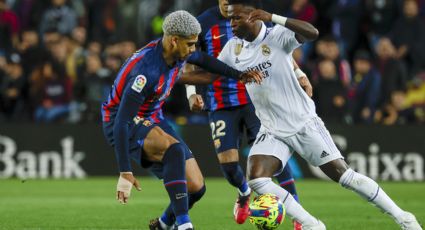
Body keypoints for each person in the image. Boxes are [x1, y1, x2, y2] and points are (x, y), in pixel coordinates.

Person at [217, 0, 422, 229]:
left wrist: (273, 17)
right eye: (230, 18)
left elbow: (312, 32)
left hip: (303, 123)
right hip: (272, 128)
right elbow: (210, 70)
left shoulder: (277, 36)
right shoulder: (233, 48)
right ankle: (311, 224)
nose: (231, 23)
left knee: (345, 177)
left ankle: (404, 218)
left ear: (253, 16)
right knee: (257, 178)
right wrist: (190, 87)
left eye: (236, 18)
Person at [101, 10, 262, 230]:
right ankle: (185, 225)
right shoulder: (145, 71)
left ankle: (163, 225)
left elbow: (205, 60)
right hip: (122, 121)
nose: (193, 49)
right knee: (174, 151)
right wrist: (125, 172)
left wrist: (239, 75)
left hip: (152, 116)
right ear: (174, 40)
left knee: (196, 188)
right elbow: (121, 121)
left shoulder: (177, 52)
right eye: (190, 44)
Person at [184, 1, 307, 227]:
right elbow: (188, 57)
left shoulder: (249, 14)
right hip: (219, 101)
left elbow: (274, 46)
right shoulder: (202, 23)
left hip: (254, 98)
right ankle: (243, 192)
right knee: (229, 166)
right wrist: (191, 92)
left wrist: (298, 72)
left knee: (274, 157)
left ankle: (297, 212)